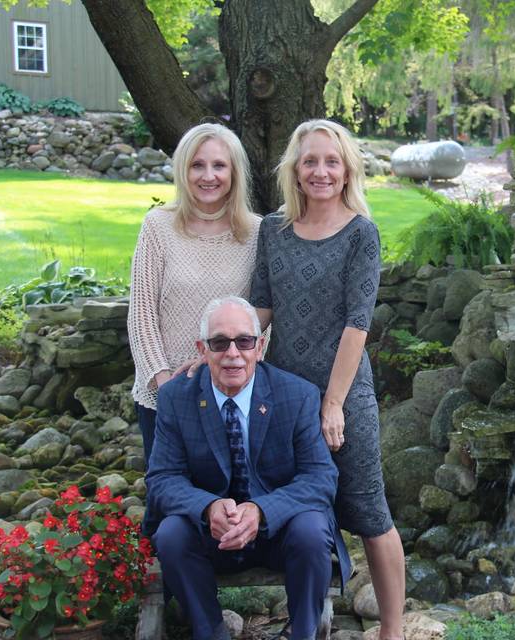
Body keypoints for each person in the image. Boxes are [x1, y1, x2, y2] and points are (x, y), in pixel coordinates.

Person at [249, 119, 406, 639]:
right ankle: (309, 624)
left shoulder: (361, 233)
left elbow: (357, 325)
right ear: (294, 168)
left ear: (347, 171)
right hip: (283, 398)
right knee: (303, 513)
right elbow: (261, 310)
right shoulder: (273, 230)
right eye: (310, 161)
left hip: (345, 397)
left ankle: (392, 630)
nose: (320, 171)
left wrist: (333, 404)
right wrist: (214, 352)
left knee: (368, 511)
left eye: (331, 161)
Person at [145, 297, 350, 640]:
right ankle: (210, 632)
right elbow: (163, 478)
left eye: (244, 341)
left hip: (278, 532)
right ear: (202, 348)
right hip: (210, 534)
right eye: (219, 342)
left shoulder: (297, 395)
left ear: (260, 346)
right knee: (170, 534)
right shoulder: (175, 398)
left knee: (313, 529)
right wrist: (207, 508)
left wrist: (261, 510)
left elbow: (320, 478)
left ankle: (304, 633)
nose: (232, 353)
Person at [128, 122, 261, 465]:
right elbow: (142, 314)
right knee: (171, 505)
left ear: (234, 172)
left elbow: (265, 317)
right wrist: (165, 383)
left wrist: (236, 370)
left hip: (234, 391)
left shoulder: (257, 233)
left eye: (219, 165)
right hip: (164, 393)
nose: (208, 176)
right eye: (197, 165)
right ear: (182, 171)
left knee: (232, 504)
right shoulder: (158, 226)